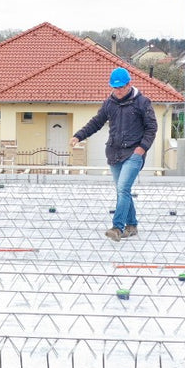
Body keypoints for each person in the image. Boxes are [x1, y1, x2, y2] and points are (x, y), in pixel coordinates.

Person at [69, 66, 157, 241]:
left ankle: (117, 227)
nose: (118, 91)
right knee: (122, 190)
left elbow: (151, 128)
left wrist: (142, 148)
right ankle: (132, 225)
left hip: (134, 153)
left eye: (121, 87)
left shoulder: (142, 103)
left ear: (129, 84)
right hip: (114, 153)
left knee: (123, 188)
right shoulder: (109, 104)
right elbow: (96, 123)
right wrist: (79, 136)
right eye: (115, 88)